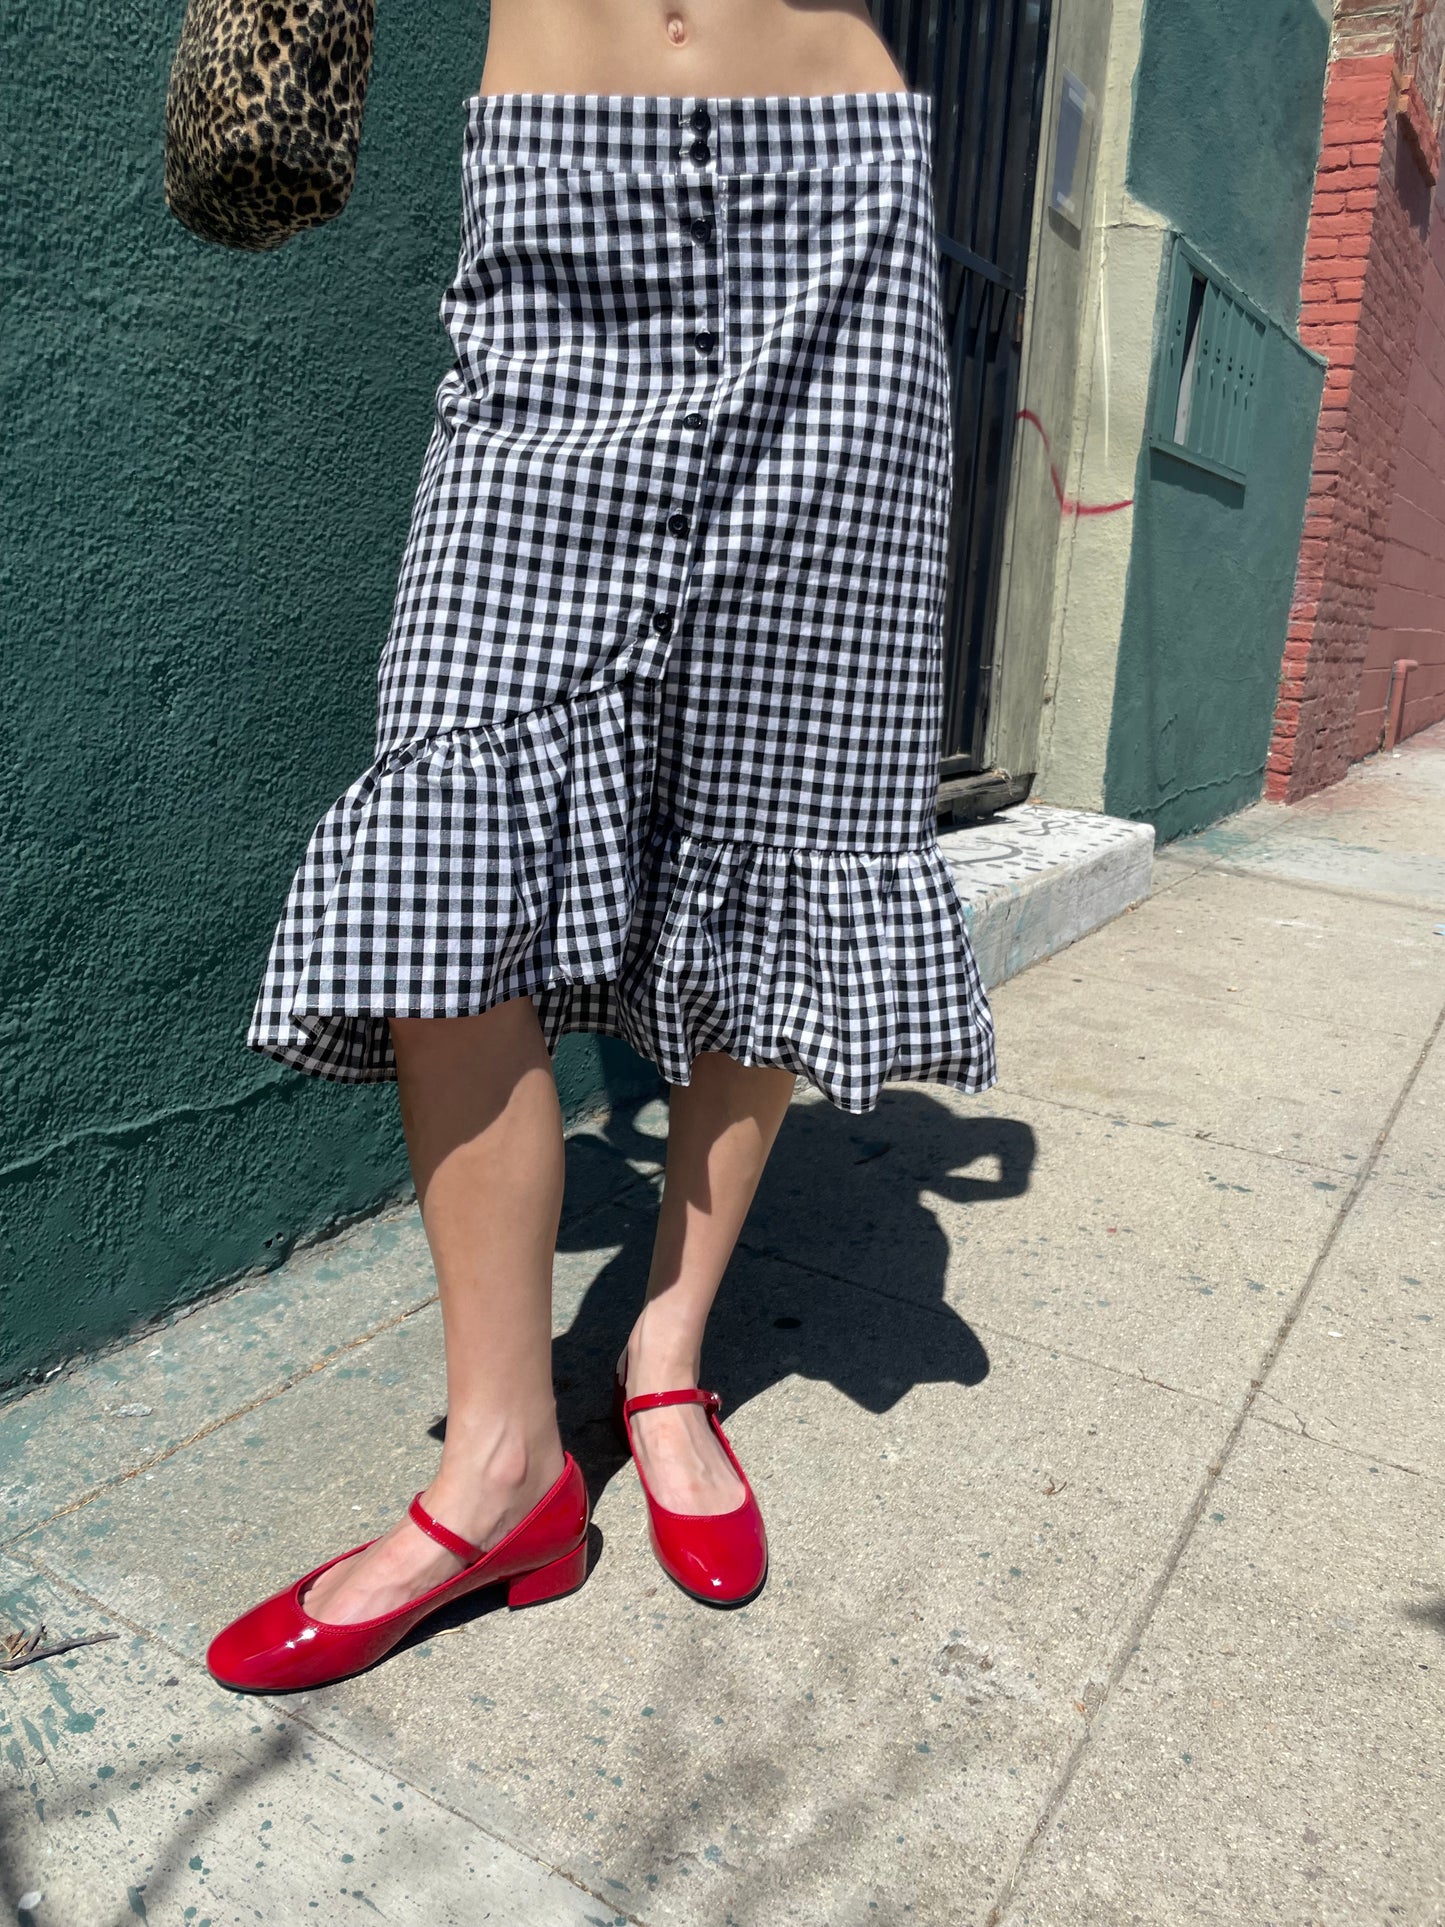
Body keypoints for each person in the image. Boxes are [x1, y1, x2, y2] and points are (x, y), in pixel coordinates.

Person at [206, 0, 996, 1694]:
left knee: (790, 818)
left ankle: (662, 1355)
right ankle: (504, 1468)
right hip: (567, 187)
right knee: (443, 832)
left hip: (836, 209)